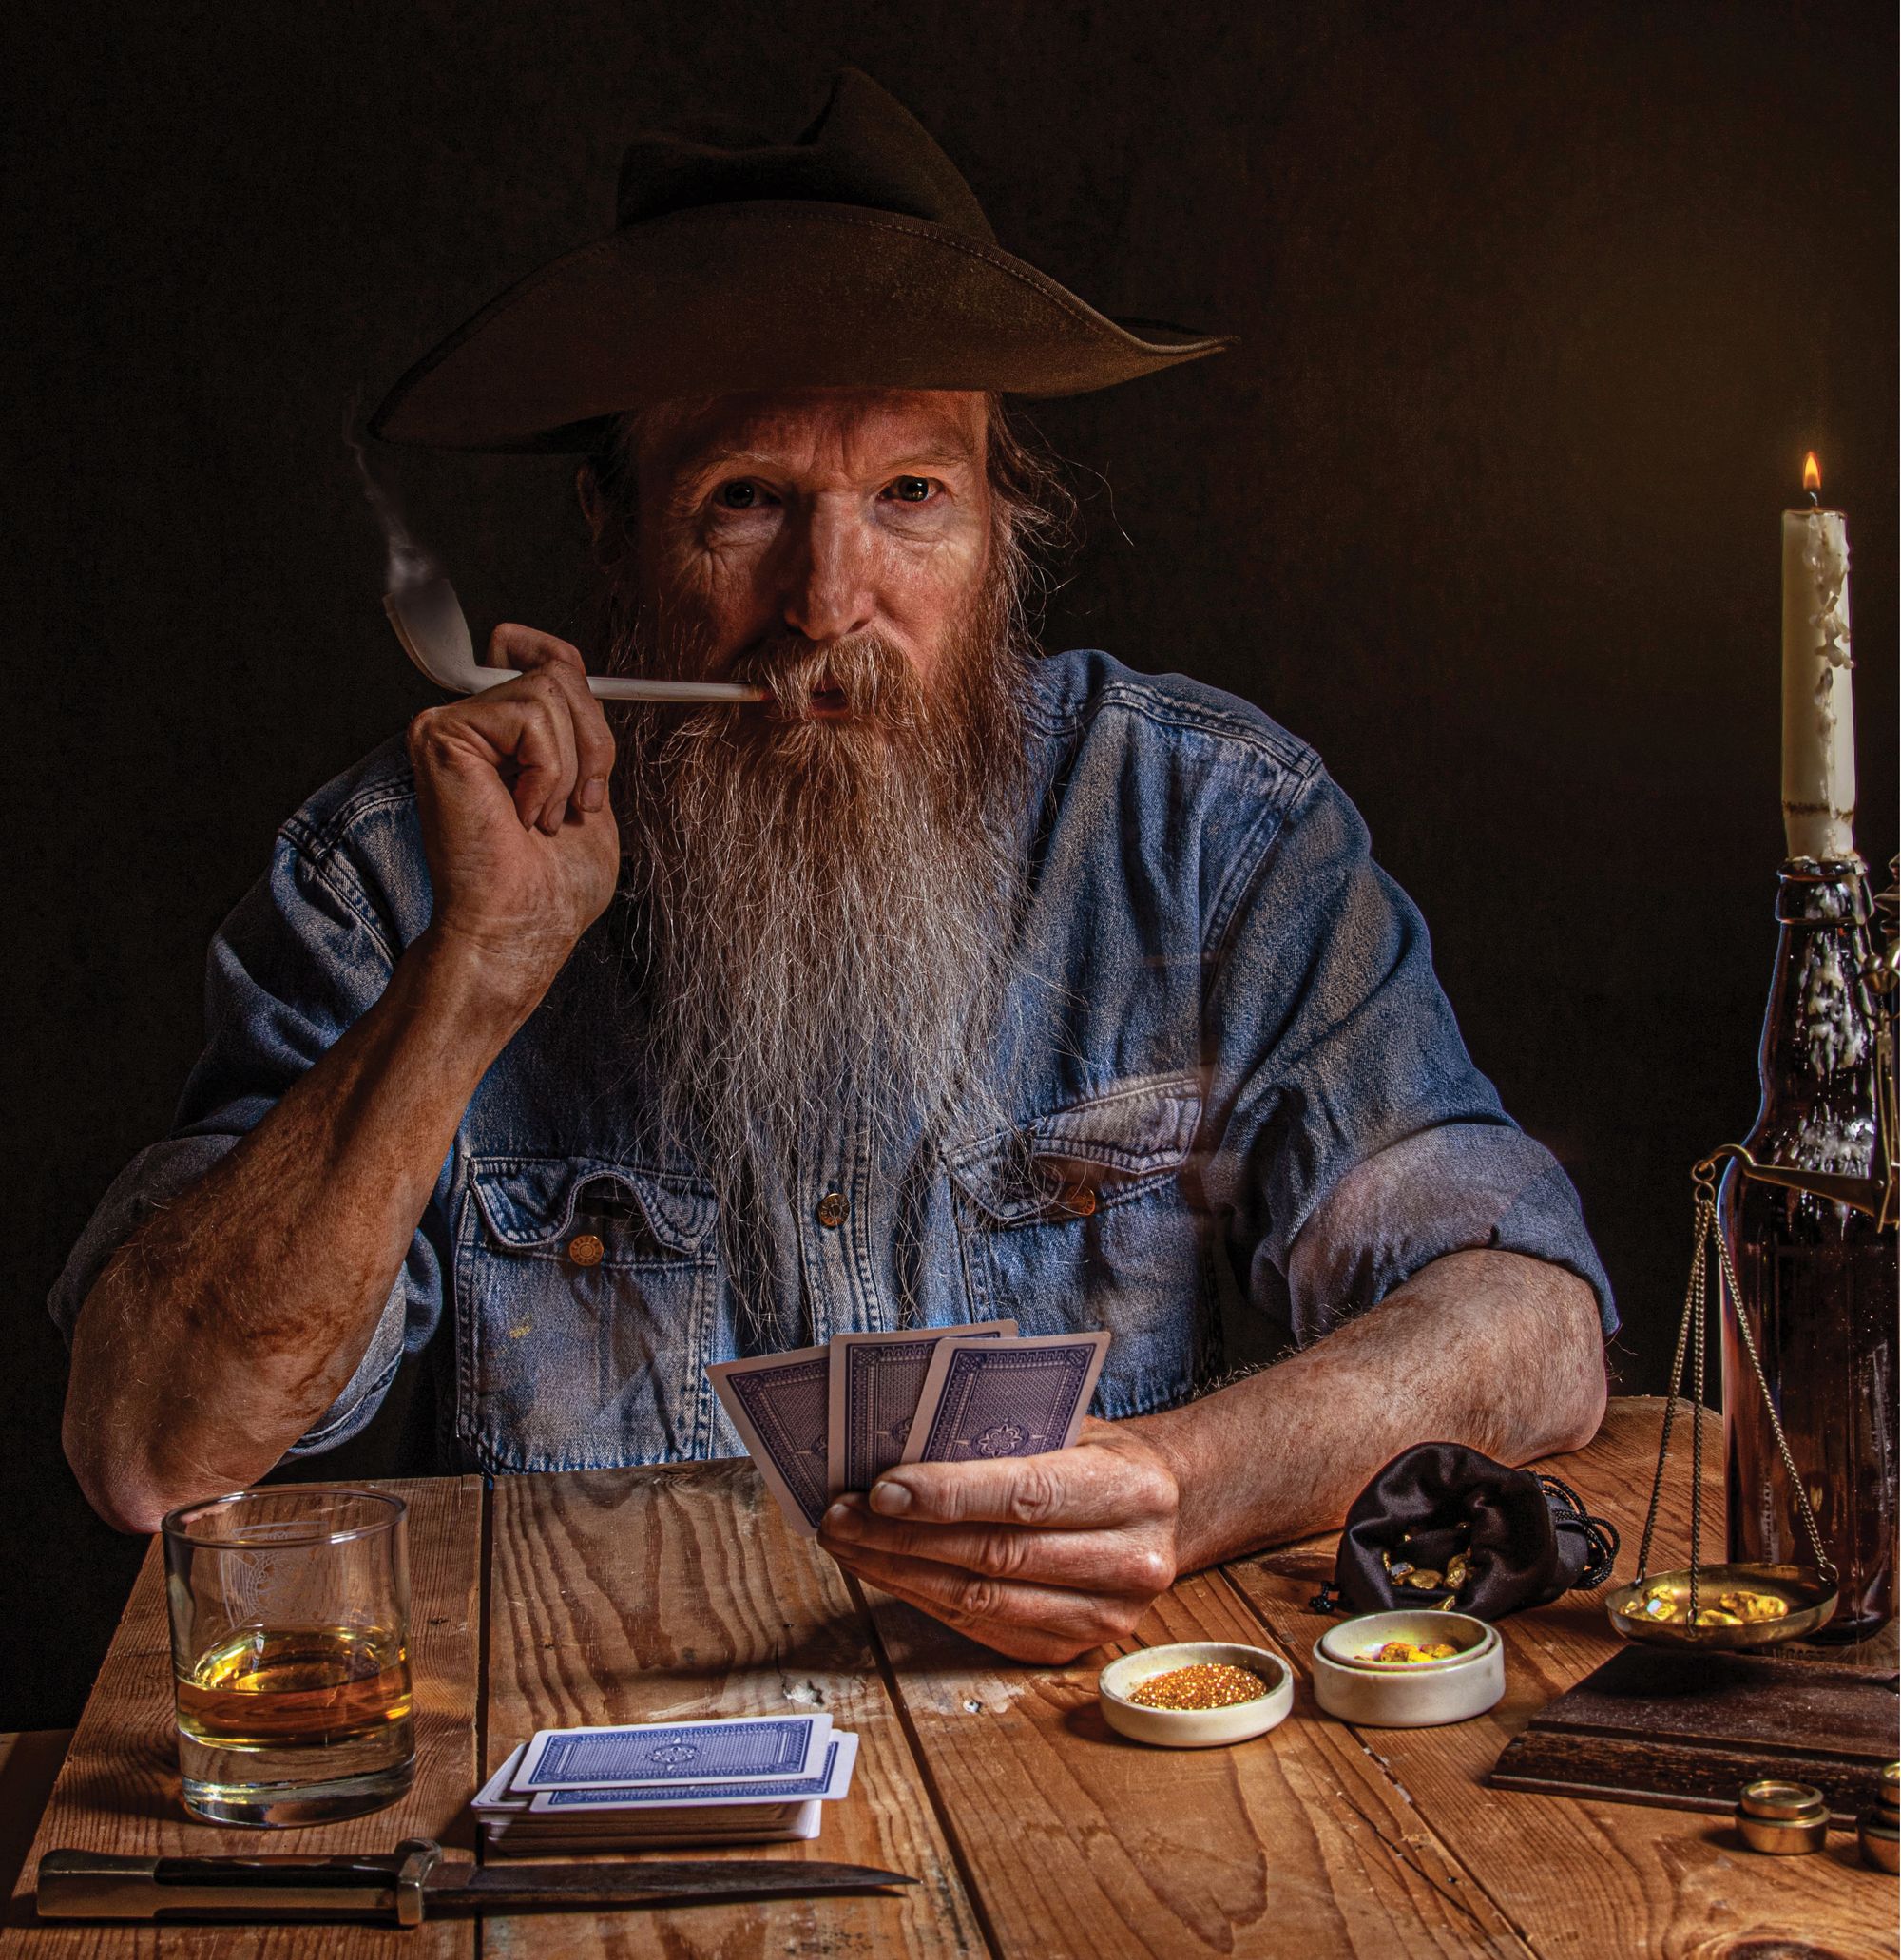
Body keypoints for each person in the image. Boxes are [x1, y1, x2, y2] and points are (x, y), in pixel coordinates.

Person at [53, 72, 1612, 1662]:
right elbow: (151, 1447)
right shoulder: (396, 879)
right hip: (590, 1758)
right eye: (746, 500)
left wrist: (1178, 1483)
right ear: (613, 527)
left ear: (1003, 525)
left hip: (1083, 1755)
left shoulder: (1208, 833)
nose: (826, 600)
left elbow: (1532, 1320)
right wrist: (470, 982)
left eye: (909, 496)